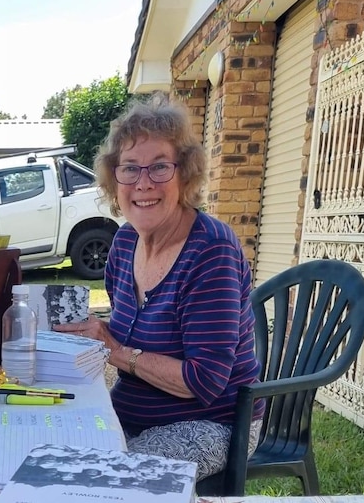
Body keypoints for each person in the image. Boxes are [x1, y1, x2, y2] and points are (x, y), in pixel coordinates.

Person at [54, 99, 264, 480]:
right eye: (130, 168)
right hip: (128, 414)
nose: (143, 183)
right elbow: (128, 332)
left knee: (100, 479)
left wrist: (112, 349)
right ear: (113, 179)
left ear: (185, 174)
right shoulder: (124, 243)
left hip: (212, 424)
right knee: (43, 448)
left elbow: (204, 381)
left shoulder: (210, 250)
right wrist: (84, 335)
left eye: (160, 167)